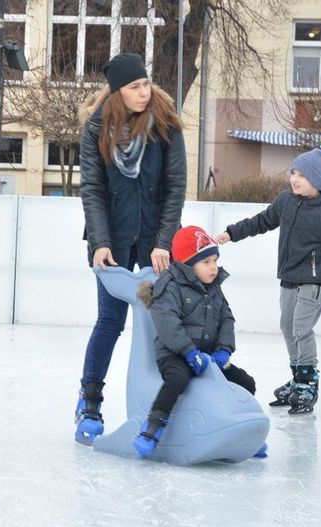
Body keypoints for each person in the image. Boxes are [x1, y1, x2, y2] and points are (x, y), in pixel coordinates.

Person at [75, 52, 187, 445]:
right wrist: (101, 243)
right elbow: (92, 189)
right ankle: (89, 400)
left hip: (156, 241)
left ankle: (165, 406)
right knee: (110, 321)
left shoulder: (166, 125)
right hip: (113, 241)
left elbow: (175, 188)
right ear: (117, 93)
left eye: (145, 84)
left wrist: (163, 243)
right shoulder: (96, 130)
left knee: (165, 324)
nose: (144, 92)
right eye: (134, 87)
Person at [214, 140, 321, 415]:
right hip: (290, 275)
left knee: (301, 327)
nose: (294, 179)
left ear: (317, 180)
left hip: (316, 280)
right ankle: (297, 375)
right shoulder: (286, 201)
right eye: (294, 172)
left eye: (302, 176)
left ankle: (308, 381)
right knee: (287, 326)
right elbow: (262, 220)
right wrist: (231, 233)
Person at [134, 226, 257, 458]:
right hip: (175, 354)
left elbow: (226, 318)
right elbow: (168, 325)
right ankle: (152, 427)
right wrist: (189, 352)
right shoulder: (169, 287)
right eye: (206, 262)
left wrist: (223, 350)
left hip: (208, 357)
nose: (214, 267)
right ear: (188, 264)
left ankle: (243, 434)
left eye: (215, 260)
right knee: (177, 379)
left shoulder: (214, 288)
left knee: (245, 382)